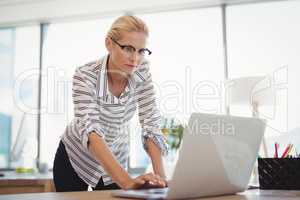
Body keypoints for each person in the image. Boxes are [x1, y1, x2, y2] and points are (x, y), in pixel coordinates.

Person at [53, 15, 169, 192]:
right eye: (128, 49)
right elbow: (91, 131)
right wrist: (127, 182)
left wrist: (163, 181)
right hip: (76, 157)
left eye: (141, 51)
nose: (135, 59)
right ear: (109, 43)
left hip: (115, 157)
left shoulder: (142, 70)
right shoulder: (85, 76)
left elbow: (150, 122)